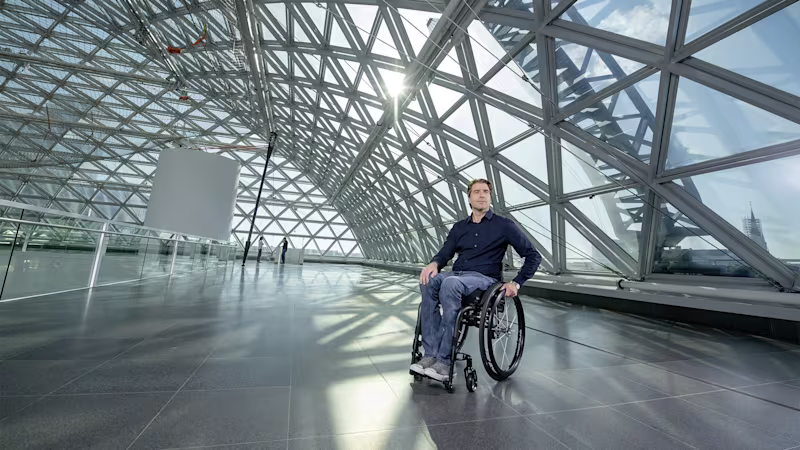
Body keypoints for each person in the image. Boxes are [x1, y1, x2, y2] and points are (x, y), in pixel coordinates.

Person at [410, 179, 541, 382]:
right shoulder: (460, 227)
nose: (482, 195)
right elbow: (446, 252)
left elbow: (533, 255)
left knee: (450, 284)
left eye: (486, 192)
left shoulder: (504, 225)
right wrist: (434, 263)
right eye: (477, 192)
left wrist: (516, 282)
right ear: (469, 198)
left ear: (490, 197)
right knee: (428, 280)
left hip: (484, 279)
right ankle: (430, 355)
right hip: (457, 274)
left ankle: (445, 362)